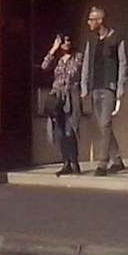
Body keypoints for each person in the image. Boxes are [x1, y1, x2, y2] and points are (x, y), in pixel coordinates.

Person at [79, 5, 128, 176]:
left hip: (109, 88)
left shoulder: (116, 39)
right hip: (95, 87)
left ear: (100, 21)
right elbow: (86, 64)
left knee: (106, 123)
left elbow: (123, 64)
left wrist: (120, 88)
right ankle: (118, 160)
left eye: (91, 20)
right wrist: (84, 86)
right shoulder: (91, 41)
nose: (89, 23)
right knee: (102, 126)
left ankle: (102, 163)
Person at [41, 33, 82, 176]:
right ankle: (66, 162)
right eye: (63, 41)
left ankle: (74, 162)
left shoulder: (77, 57)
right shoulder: (57, 59)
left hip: (70, 95)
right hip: (57, 96)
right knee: (60, 131)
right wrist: (53, 49)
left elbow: (73, 73)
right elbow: (44, 66)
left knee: (70, 130)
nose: (66, 43)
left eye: (68, 40)